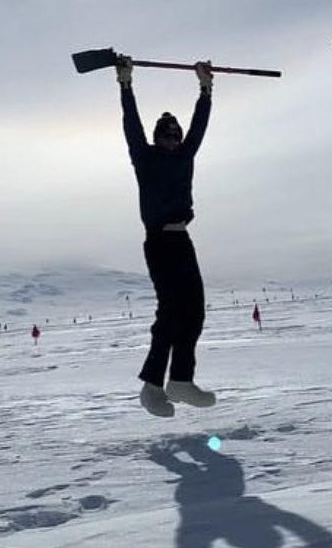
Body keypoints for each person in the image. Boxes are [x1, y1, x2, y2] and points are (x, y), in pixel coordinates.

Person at [116, 54, 216, 416]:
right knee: (171, 312)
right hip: (158, 242)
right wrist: (125, 83)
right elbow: (131, 124)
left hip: (182, 240)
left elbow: (200, 126)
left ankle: (181, 381)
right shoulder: (144, 157)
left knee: (195, 312)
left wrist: (205, 88)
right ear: (157, 138)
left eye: (176, 135)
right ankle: (152, 386)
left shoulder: (186, 154)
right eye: (166, 135)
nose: (173, 140)